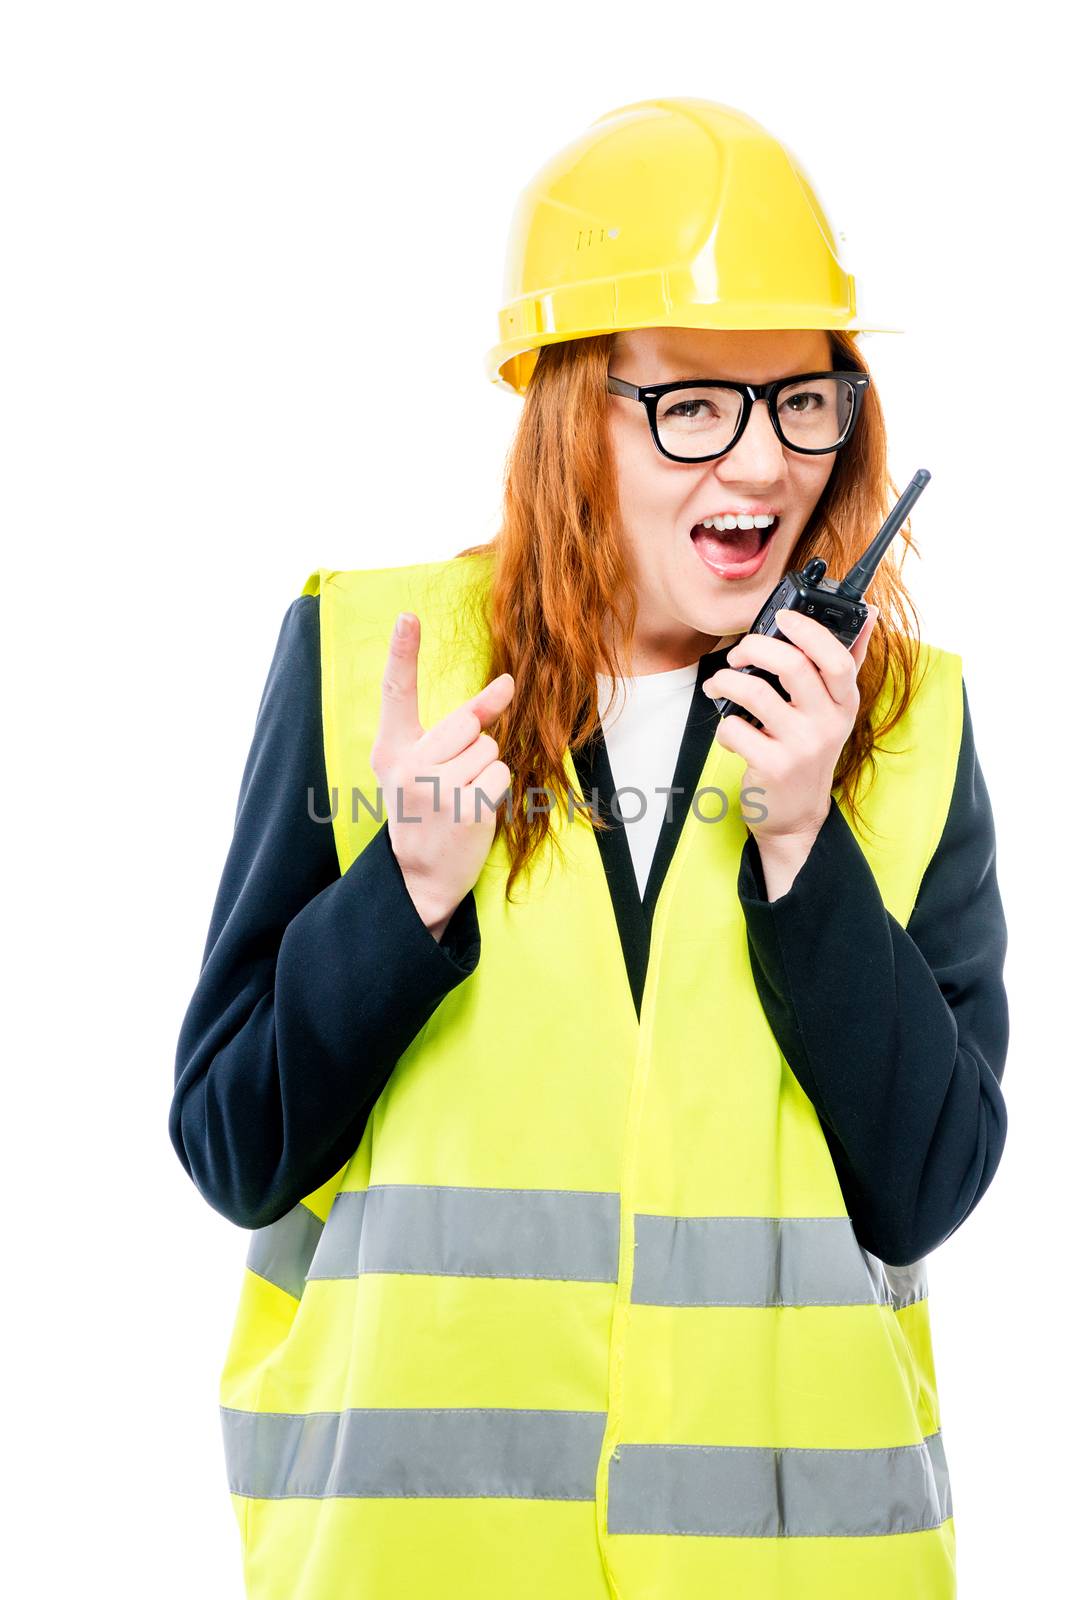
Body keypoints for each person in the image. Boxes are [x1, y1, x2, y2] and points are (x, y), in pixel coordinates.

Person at [170, 98, 1009, 1599]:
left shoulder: (902, 722)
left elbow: (930, 1183)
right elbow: (233, 1147)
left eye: (803, 401)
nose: (761, 467)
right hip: (421, 1564)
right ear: (570, 405)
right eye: (693, 403)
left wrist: (806, 843)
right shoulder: (369, 655)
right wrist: (405, 893)